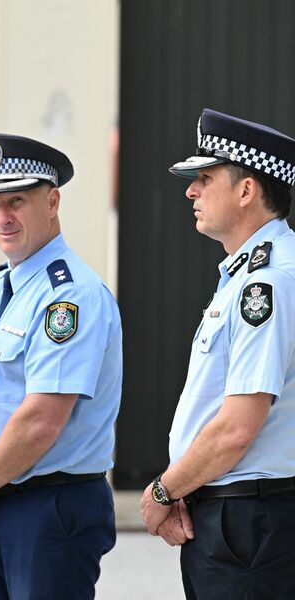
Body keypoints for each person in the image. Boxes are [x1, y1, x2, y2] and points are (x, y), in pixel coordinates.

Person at [0, 134, 122, 599]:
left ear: (52, 202)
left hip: (46, 506)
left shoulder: (68, 296)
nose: (2, 218)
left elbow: (42, 418)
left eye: (16, 202)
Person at [140, 108, 295, 599]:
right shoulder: (249, 275)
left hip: (249, 523)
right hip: (236, 515)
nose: (191, 191)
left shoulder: (266, 283)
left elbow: (234, 429)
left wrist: (164, 490)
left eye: (204, 178)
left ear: (246, 190)